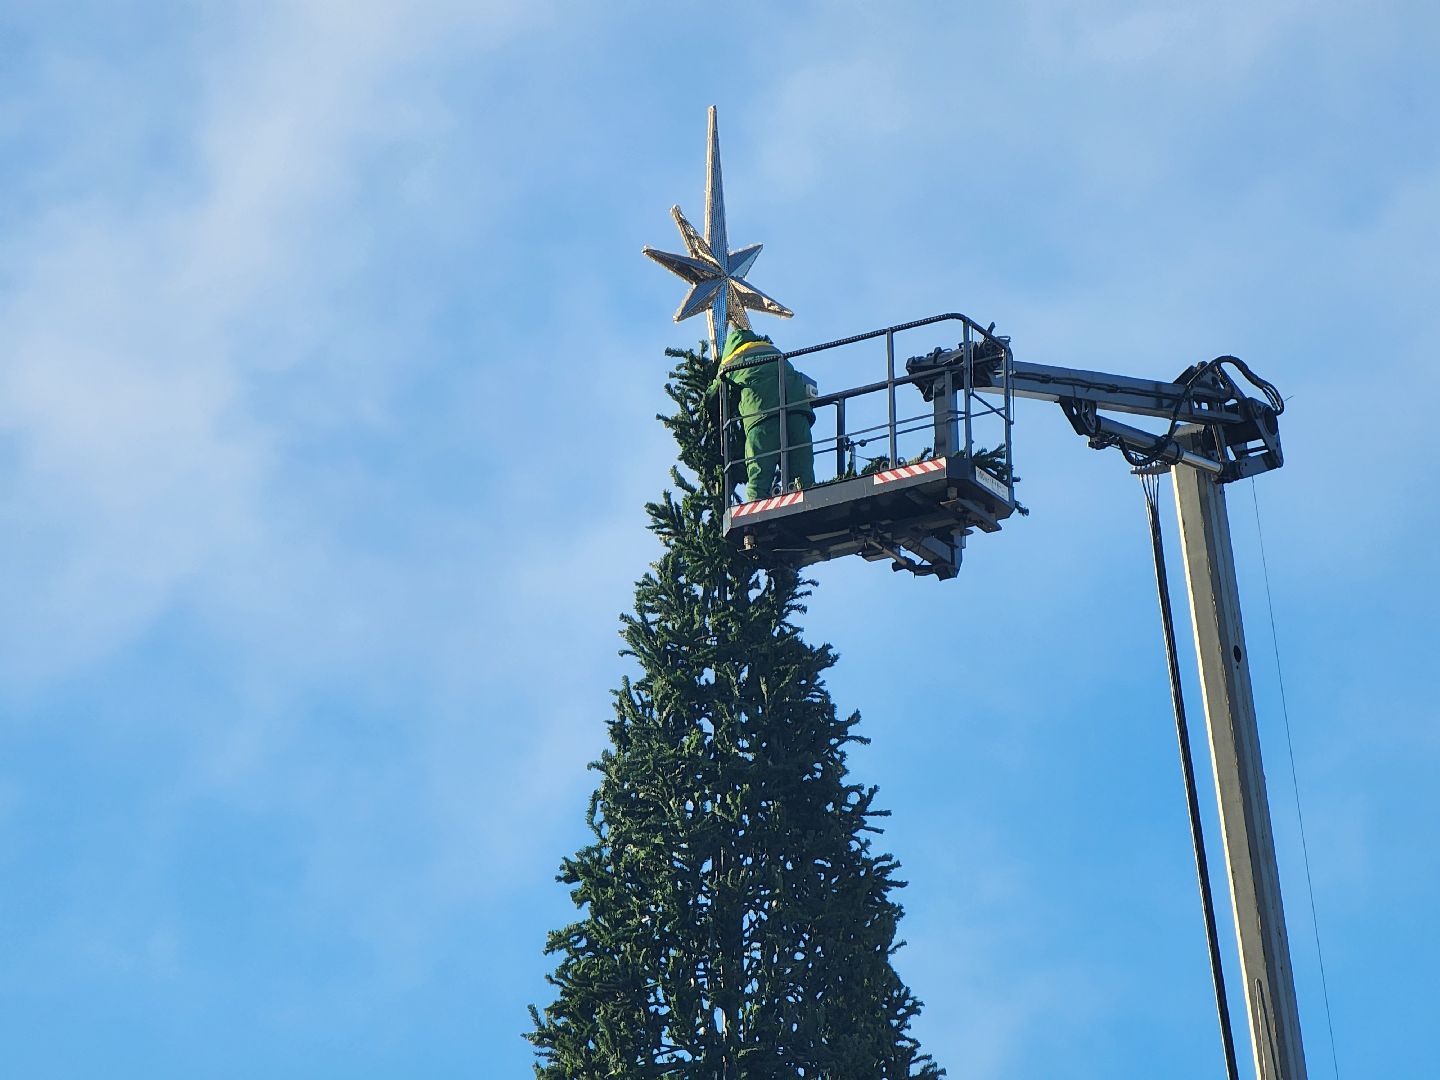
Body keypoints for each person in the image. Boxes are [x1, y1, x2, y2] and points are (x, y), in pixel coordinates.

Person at [718, 327, 815, 501]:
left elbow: (716, 392)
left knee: (759, 474)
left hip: (762, 418)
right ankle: (808, 502)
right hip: (798, 414)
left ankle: (753, 520)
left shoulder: (732, 362)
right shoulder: (774, 352)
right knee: (802, 474)